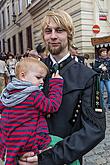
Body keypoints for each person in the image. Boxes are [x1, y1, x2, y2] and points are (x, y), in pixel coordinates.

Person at [19, 9, 106, 165]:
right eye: (48, 31)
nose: (53, 36)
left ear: (69, 33)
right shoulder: (33, 70)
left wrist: (51, 156)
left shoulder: (88, 76)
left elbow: (95, 129)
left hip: (65, 159)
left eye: (59, 30)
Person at [0, 57, 64, 164]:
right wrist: (56, 84)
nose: (42, 82)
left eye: (43, 79)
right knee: (59, 144)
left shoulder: (8, 91)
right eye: (38, 77)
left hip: (8, 140)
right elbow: (52, 106)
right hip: (28, 141)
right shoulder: (34, 94)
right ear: (23, 75)